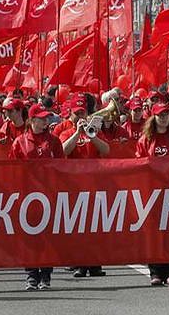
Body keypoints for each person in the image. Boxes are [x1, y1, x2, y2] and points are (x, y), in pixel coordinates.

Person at [135, 102, 169, 285]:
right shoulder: (145, 140)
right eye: (160, 115)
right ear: (154, 117)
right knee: (154, 232)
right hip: (152, 191)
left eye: (167, 114)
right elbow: (139, 162)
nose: (164, 118)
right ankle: (155, 272)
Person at [10, 104, 63, 290]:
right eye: (41, 118)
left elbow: (62, 166)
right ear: (32, 120)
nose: (45, 121)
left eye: (46, 118)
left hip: (49, 194)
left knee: (48, 236)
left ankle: (46, 275)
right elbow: (12, 170)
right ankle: (31, 275)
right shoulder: (19, 142)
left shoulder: (54, 141)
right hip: (28, 196)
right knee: (29, 236)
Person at [59, 96, 109, 278]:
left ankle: (95, 263)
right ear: (71, 115)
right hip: (74, 185)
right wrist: (76, 133)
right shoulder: (65, 132)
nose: (81, 116)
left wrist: (91, 136)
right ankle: (80, 263)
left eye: (83, 112)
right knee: (78, 225)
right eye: (77, 113)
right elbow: (63, 151)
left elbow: (106, 150)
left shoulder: (93, 130)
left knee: (95, 224)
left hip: (95, 183)